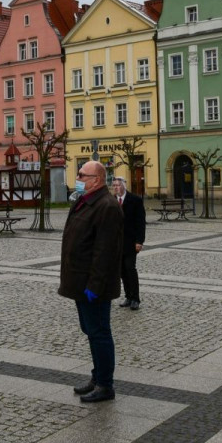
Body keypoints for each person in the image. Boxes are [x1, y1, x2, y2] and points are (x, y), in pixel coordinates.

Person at [59, 160, 123, 403]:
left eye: (83, 175)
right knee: (91, 331)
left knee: (99, 333)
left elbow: (105, 252)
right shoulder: (85, 201)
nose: (79, 178)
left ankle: (106, 385)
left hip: (93, 286)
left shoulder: (106, 206)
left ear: (97, 180)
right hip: (79, 282)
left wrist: (94, 287)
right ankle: (97, 377)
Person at [111, 176, 146, 311]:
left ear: (124, 186)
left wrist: (139, 241)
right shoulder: (112, 201)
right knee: (122, 271)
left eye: (118, 185)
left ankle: (135, 298)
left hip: (131, 242)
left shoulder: (135, 200)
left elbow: (140, 222)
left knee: (130, 269)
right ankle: (128, 296)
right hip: (117, 244)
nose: (115, 188)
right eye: (113, 185)